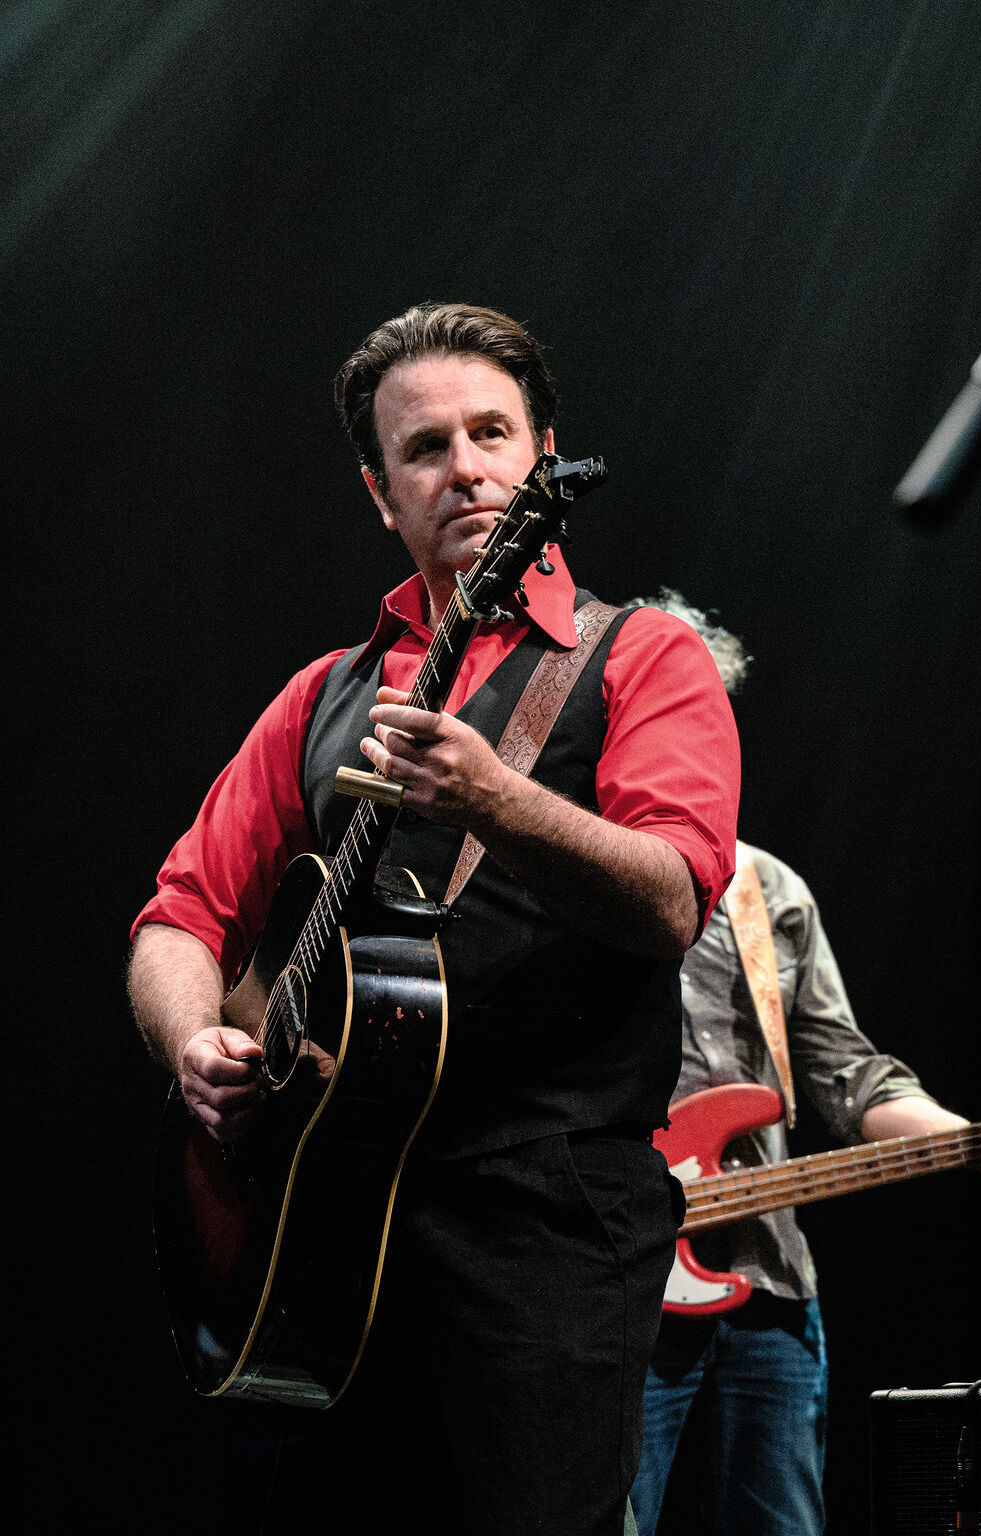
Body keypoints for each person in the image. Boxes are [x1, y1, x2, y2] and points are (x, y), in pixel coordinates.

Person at [127, 305, 742, 1536]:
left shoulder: (644, 657)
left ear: (543, 456)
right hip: (324, 1220)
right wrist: (194, 1041)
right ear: (380, 494)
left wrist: (494, 800)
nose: (464, 468)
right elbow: (179, 915)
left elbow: (671, 899)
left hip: (546, 1220)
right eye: (424, 448)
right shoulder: (324, 694)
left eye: (490, 434)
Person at [625, 589, 981, 1536]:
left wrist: (978, 1140)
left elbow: (847, 1075)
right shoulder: (557, 873)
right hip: (618, 1293)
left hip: (769, 1288)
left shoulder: (768, 888)